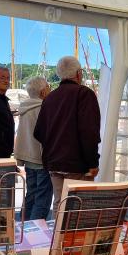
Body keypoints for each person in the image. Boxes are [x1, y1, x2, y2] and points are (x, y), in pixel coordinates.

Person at [34, 56, 100, 219]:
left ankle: (58, 241)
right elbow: (89, 131)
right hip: (77, 165)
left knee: (60, 203)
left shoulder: (49, 98)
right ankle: (75, 243)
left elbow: (38, 132)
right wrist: (92, 162)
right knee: (79, 207)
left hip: (53, 163)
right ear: (78, 74)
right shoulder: (84, 94)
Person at [15, 76, 53, 220]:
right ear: (43, 92)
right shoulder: (44, 108)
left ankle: (22, 227)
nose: (51, 89)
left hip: (28, 158)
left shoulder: (24, 108)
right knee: (42, 199)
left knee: (31, 195)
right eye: (49, 87)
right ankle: (35, 235)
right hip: (41, 158)